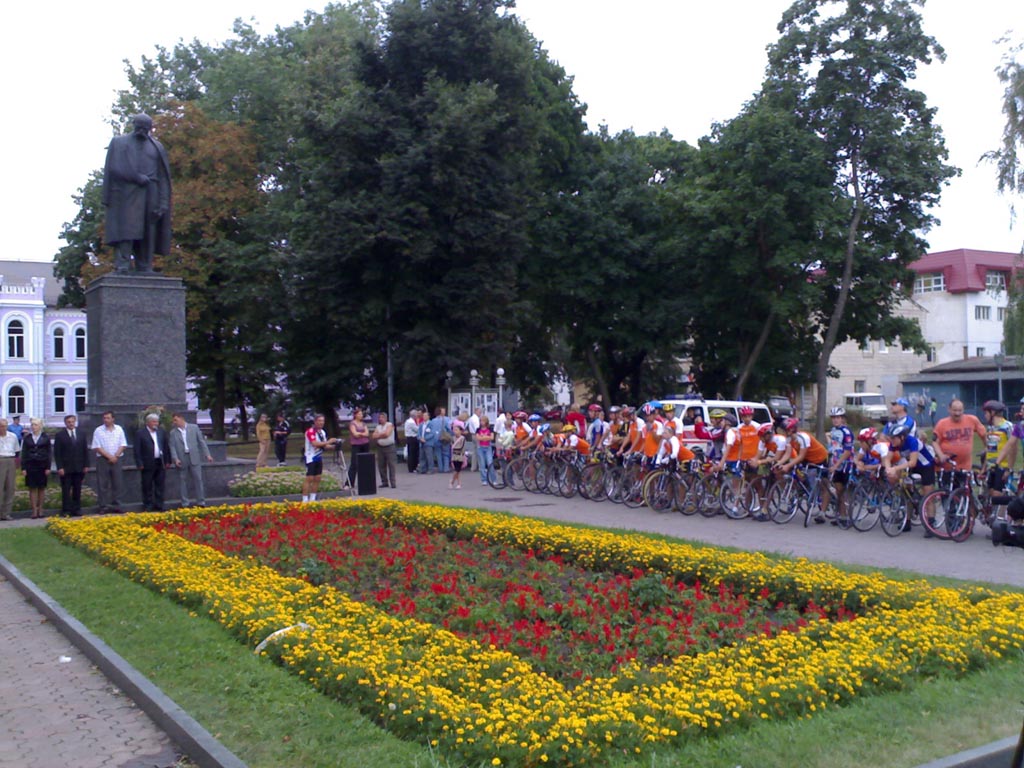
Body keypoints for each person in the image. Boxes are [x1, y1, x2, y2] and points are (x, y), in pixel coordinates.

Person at [102, 113, 172, 274]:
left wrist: (163, 202)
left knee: (149, 229)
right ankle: (123, 264)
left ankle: (145, 265)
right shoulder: (119, 142)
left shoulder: (157, 147)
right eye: (139, 127)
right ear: (133, 125)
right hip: (126, 192)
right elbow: (114, 167)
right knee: (126, 229)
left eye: (145, 128)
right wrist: (136, 177)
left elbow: (163, 176)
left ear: (150, 128)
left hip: (151, 192)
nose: (141, 131)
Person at [169, 413, 214, 507]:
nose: (174, 422)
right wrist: (175, 459)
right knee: (182, 481)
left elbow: (201, 442)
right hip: (182, 458)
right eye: (173, 421)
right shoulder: (173, 433)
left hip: (194, 457)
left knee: (198, 479)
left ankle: (201, 501)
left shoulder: (194, 428)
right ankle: (185, 502)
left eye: (176, 420)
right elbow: (172, 446)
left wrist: (207, 455)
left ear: (181, 418)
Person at [931, 399, 986, 469]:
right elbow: (935, 442)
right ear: (949, 409)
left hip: (965, 467)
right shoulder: (942, 424)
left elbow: (984, 435)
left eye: (960, 410)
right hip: (946, 467)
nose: (957, 413)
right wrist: (941, 455)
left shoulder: (972, 420)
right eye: (955, 410)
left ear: (963, 410)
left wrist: (987, 448)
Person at [53, 414, 90, 516]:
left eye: (72, 422)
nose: (71, 424)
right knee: (66, 490)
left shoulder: (81, 434)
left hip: (79, 467)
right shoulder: (60, 435)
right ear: (65, 423)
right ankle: (66, 510)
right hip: (66, 468)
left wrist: (86, 465)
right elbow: (57, 453)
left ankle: (76, 509)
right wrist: (60, 467)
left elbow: (85, 450)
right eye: (69, 422)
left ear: (75, 422)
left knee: (77, 489)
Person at [91, 411, 127, 514]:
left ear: (113, 419)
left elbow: (123, 444)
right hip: (103, 459)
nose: (106, 420)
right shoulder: (98, 430)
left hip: (117, 459)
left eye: (108, 418)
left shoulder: (119, 429)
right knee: (103, 484)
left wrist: (115, 456)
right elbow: (97, 446)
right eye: (104, 418)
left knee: (117, 483)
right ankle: (103, 506)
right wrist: (109, 457)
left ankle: (117, 505)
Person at [135, 413, 170, 512]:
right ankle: (148, 505)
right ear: (148, 422)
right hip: (147, 463)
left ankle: (159, 504)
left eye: (157, 422)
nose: (156, 424)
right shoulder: (140, 433)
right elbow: (137, 449)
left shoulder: (161, 432)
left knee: (160, 484)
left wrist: (167, 460)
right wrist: (139, 463)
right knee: (147, 485)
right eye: (154, 422)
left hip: (160, 462)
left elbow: (166, 447)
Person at [20, 418, 52, 519]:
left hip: (42, 465)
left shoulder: (45, 437)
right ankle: (34, 510)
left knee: (41, 488)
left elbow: (49, 453)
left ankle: (40, 510)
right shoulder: (27, 438)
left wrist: (48, 467)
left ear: (40, 426)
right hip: (30, 466)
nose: (33, 427)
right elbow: (24, 453)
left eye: (36, 425)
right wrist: (23, 468)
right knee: (32, 488)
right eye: (32, 425)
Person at [302, 414, 337, 502]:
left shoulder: (322, 432)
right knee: (309, 478)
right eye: (319, 421)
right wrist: (329, 442)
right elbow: (315, 443)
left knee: (317, 478)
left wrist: (333, 446)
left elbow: (323, 445)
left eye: (323, 421)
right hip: (310, 457)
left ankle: (313, 498)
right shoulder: (310, 431)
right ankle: (305, 499)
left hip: (319, 457)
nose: (321, 423)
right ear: (315, 421)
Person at [0, 418, 21, 520]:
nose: (2, 428)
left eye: (4, 426)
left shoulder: (13, 436)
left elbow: (17, 451)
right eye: (1, 426)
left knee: (10, 487)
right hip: (0, 459)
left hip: (11, 460)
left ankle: (6, 513)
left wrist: (17, 463)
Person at [347, 409, 371, 487]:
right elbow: (355, 434)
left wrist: (360, 434)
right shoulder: (352, 423)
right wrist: (362, 434)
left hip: (365, 444)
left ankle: (365, 482)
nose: (361, 415)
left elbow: (367, 434)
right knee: (354, 464)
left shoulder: (363, 423)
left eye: (361, 414)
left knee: (365, 463)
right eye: (359, 414)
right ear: (355, 415)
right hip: (356, 445)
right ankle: (349, 483)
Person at [374, 412, 398, 488]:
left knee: (391, 465)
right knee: (381, 465)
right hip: (380, 447)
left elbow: (387, 434)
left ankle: (393, 482)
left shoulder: (389, 425)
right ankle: (384, 482)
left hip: (389, 447)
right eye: (380, 417)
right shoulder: (378, 426)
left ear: (386, 418)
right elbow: (374, 436)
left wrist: (379, 435)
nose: (381, 419)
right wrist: (382, 434)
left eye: (382, 417)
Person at [475, 415, 494, 485]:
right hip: (480, 447)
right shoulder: (478, 429)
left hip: (488, 447)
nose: (482, 422)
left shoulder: (490, 428)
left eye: (483, 421)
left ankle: (493, 479)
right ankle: (484, 479)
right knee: (482, 464)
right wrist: (486, 437)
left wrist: (483, 437)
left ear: (486, 422)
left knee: (490, 463)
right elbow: (478, 438)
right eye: (480, 421)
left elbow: (492, 437)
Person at [449, 421, 468, 489]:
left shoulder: (462, 438)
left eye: (457, 430)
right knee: (457, 470)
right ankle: (458, 483)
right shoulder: (453, 438)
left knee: (457, 469)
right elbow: (451, 445)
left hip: (460, 456)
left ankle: (452, 481)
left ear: (460, 431)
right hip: (454, 456)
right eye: (454, 430)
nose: (455, 431)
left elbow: (461, 447)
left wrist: (455, 448)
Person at [403, 409, 420, 473]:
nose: (417, 416)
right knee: (413, 454)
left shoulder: (407, 421)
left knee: (411, 453)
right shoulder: (411, 422)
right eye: (416, 414)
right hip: (412, 438)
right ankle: (412, 468)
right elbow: (417, 430)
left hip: (409, 438)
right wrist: (418, 424)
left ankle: (411, 467)